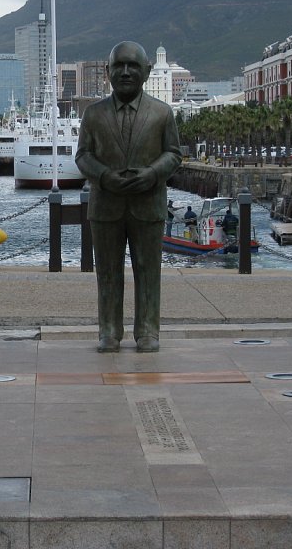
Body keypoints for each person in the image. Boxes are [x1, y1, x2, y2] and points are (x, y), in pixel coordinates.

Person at [76, 41, 182, 353]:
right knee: (107, 273)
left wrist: (153, 173)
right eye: (118, 66)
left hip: (148, 204)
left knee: (149, 272)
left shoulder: (162, 113)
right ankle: (109, 331)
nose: (125, 72)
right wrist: (104, 176)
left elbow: (174, 153)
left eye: (133, 66)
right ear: (108, 72)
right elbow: (83, 156)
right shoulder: (93, 115)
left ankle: (148, 331)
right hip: (106, 205)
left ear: (147, 72)